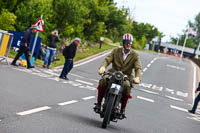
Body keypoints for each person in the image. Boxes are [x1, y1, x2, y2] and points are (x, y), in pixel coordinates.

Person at [94, 33, 142, 118]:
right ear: (123, 42)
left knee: (127, 86)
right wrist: (102, 67)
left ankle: (122, 110)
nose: (128, 44)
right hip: (113, 72)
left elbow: (138, 68)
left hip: (126, 76)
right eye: (127, 42)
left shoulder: (135, 55)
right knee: (104, 79)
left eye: (130, 42)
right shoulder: (116, 51)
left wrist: (137, 77)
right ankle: (98, 104)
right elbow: (107, 59)